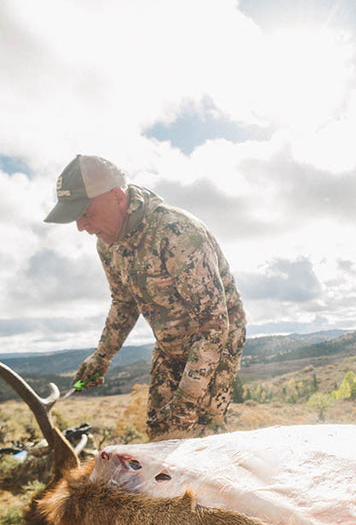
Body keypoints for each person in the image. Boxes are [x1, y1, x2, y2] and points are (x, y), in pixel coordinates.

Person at [45, 154, 246, 440]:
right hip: (169, 345)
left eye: (86, 214)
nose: (81, 227)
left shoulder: (177, 233)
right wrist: (101, 357)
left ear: (116, 197)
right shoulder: (109, 243)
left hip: (215, 344)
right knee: (159, 434)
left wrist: (187, 400)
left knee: (197, 436)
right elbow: (124, 302)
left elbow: (214, 327)